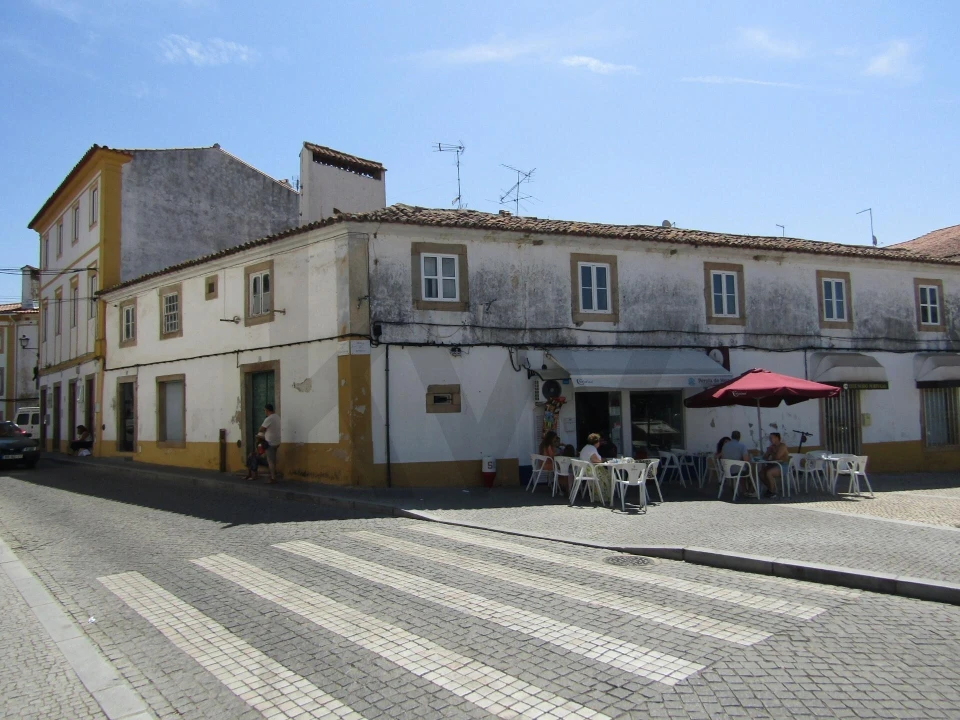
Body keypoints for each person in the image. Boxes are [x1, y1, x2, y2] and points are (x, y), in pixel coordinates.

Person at [720, 430, 754, 496]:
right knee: (751, 471)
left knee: (741, 470)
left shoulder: (724, 446)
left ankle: (744, 491)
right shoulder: (742, 446)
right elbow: (746, 459)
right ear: (739, 437)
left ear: (731, 437)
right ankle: (751, 490)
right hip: (737, 471)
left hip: (727, 471)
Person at [257, 404, 281, 483]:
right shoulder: (277, 417)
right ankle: (274, 472)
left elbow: (261, 429)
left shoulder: (269, 418)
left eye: (264, 410)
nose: (264, 412)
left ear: (267, 410)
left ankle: (273, 478)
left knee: (270, 460)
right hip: (277, 441)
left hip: (270, 442)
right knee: (273, 459)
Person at [761, 432, 788, 498]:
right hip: (774, 465)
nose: (770, 439)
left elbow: (777, 457)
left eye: (771, 438)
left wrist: (772, 451)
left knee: (769, 473)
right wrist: (768, 452)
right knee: (761, 473)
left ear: (777, 438)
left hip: (783, 466)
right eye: (769, 438)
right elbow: (764, 457)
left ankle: (772, 491)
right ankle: (771, 488)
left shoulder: (782, 446)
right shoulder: (772, 447)